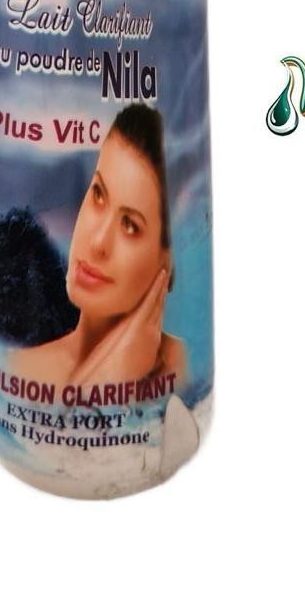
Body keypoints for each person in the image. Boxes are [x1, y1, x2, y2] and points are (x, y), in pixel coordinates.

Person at [10, 105, 186, 389]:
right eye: (98, 194)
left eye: (130, 225)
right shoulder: (20, 369)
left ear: (167, 259)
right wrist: (106, 377)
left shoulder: (187, 369)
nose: (97, 242)